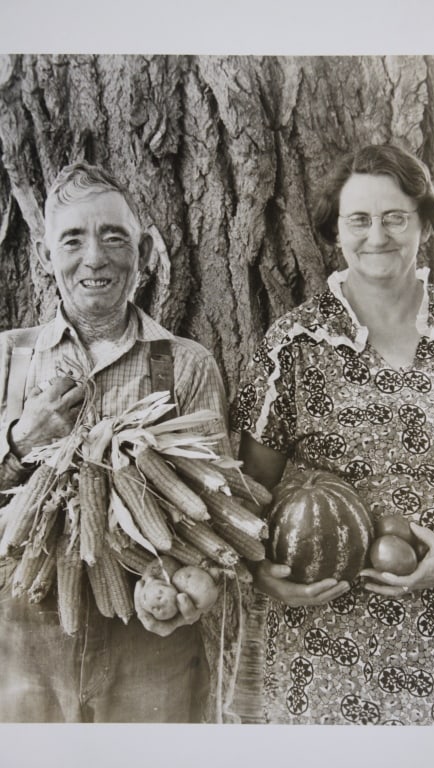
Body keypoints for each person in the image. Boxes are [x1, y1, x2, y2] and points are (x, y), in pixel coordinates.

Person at [233, 143, 434, 725]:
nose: (376, 235)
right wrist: (262, 573)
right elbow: (245, 492)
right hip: (320, 634)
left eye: (395, 217)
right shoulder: (294, 344)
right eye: (358, 219)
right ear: (336, 232)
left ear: (424, 225)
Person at [0, 162, 233, 723]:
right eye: (73, 239)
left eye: (114, 236)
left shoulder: (184, 363)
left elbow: (219, 510)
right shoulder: (10, 359)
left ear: (144, 251)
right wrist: (23, 437)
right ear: (43, 256)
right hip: (21, 638)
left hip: (149, 636)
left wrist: (186, 586)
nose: (95, 257)